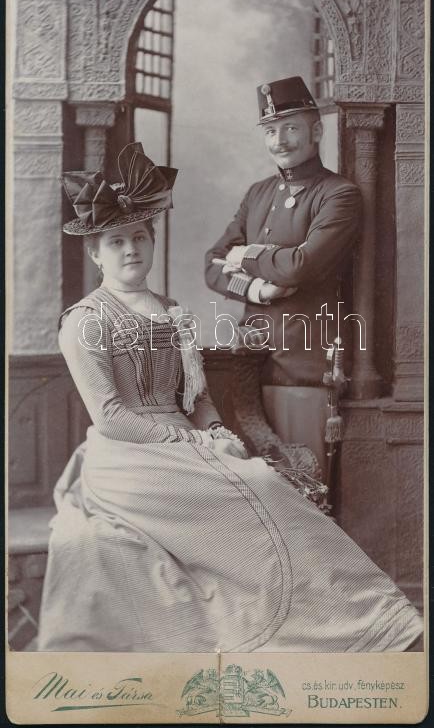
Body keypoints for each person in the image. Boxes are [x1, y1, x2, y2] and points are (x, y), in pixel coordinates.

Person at [37, 142, 422, 653]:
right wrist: (194, 443)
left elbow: (196, 397)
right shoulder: (84, 321)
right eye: (116, 242)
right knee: (251, 486)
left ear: (152, 242)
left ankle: (359, 622)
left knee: (262, 481)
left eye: (139, 237)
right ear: (95, 253)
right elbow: (110, 417)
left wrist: (216, 429)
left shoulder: (171, 311)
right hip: (125, 457)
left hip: (186, 442)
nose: (130, 250)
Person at [205, 76, 362, 473]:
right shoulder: (258, 193)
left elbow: (301, 265)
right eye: (271, 130)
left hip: (302, 370)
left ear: (316, 131)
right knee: (254, 492)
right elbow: (213, 264)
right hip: (249, 367)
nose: (280, 141)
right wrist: (259, 290)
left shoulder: (338, 194)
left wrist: (247, 254)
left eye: (291, 128)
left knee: (303, 486)